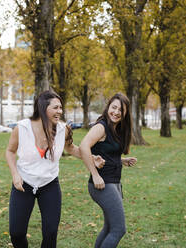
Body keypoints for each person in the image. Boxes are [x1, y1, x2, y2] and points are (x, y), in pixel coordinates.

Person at [5, 90, 104, 248]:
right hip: (23, 183)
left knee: (51, 233)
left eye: (61, 107)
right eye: (56, 107)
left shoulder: (62, 129)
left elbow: (71, 148)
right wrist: (15, 174)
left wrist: (91, 159)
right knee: (16, 233)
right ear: (43, 107)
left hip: (49, 184)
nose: (60, 111)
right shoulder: (22, 128)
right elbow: (10, 151)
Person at [79, 93, 137, 248]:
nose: (116, 112)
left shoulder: (115, 129)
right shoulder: (101, 127)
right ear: (108, 107)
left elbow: (106, 152)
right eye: (114, 107)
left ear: (125, 113)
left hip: (114, 182)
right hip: (102, 184)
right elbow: (84, 146)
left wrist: (121, 160)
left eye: (121, 110)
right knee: (119, 229)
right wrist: (95, 174)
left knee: (110, 227)